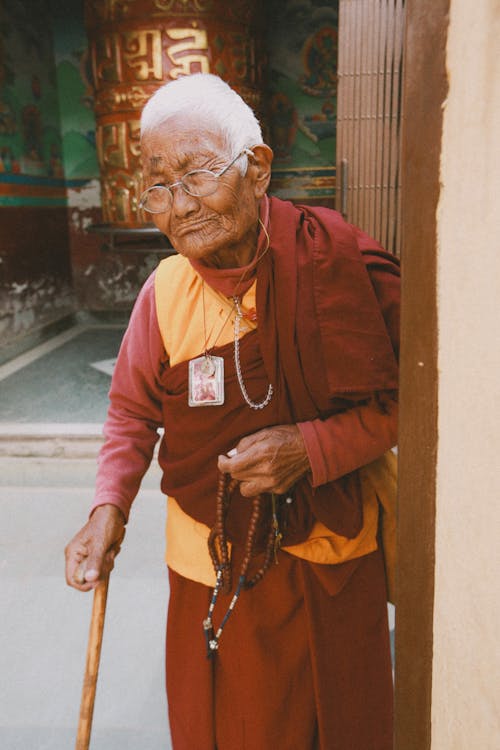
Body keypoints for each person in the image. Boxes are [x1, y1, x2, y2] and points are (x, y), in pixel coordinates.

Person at [65, 73, 400, 750]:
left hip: (331, 554)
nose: (179, 205)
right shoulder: (164, 294)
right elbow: (132, 413)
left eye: (197, 174)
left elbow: (410, 404)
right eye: (159, 184)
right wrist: (108, 508)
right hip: (208, 562)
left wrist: (311, 449)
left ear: (258, 169)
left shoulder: (338, 264)